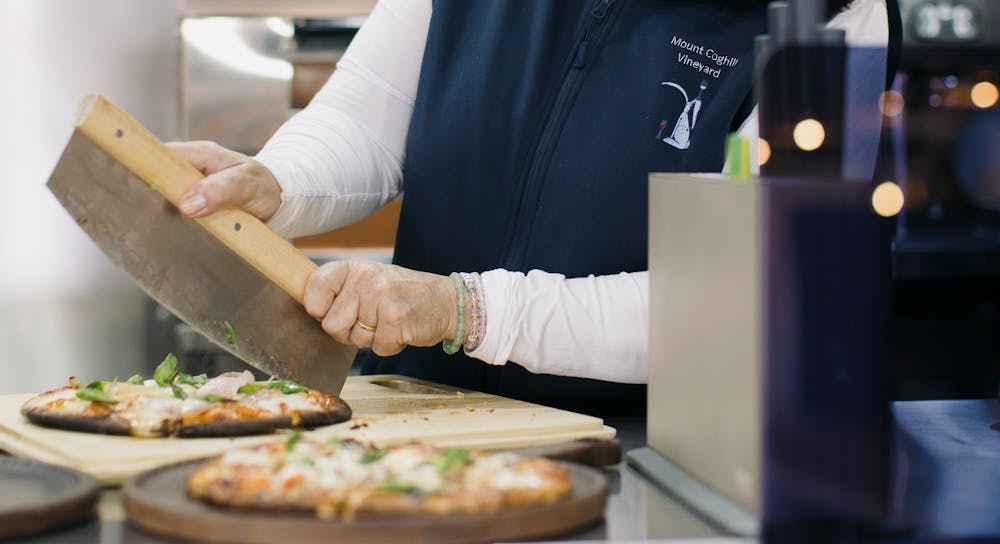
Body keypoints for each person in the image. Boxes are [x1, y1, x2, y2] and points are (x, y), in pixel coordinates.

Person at [170, 0, 895, 416]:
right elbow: (370, 117)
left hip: (634, 457)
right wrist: (277, 180)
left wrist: (469, 310)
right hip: (416, 422)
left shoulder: (837, 16)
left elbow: (746, 302)